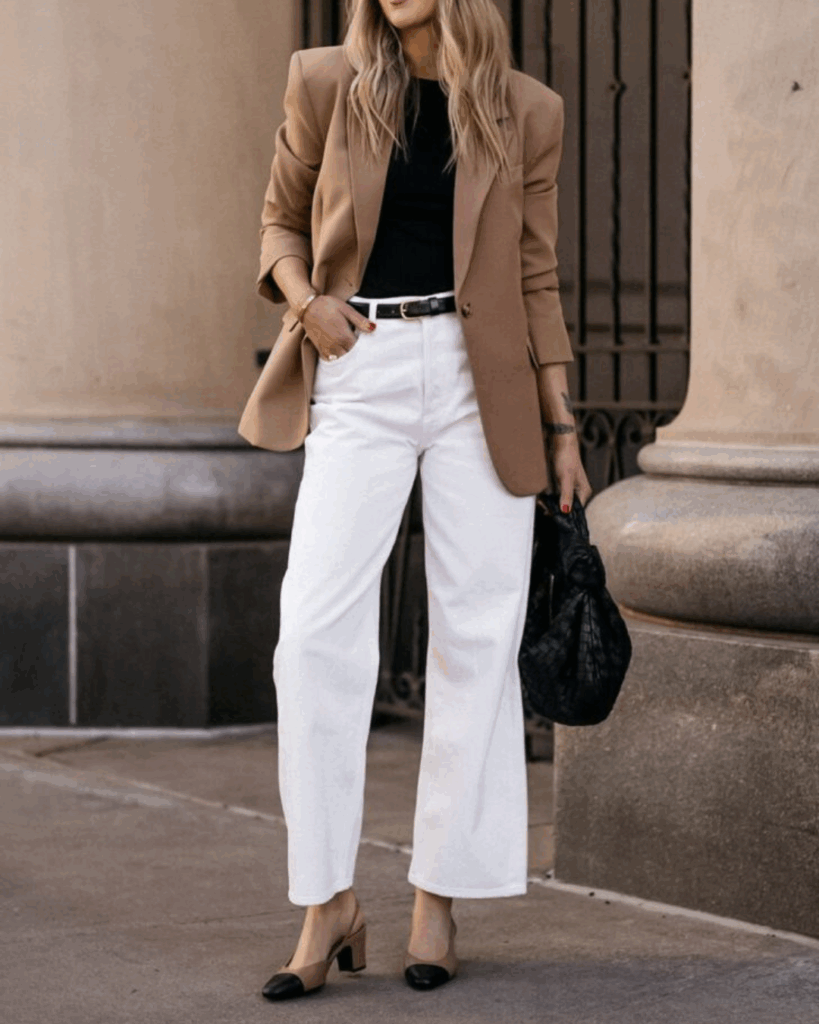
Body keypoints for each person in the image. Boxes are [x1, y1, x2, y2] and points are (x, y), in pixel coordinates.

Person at [240, 0, 593, 1001]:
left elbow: (535, 271)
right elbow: (276, 217)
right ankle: (326, 897)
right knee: (312, 630)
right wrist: (306, 300)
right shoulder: (325, 80)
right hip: (364, 361)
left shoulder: (527, 110)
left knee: (477, 629)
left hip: (485, 382)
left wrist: (562, 424)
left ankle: (438, 893)